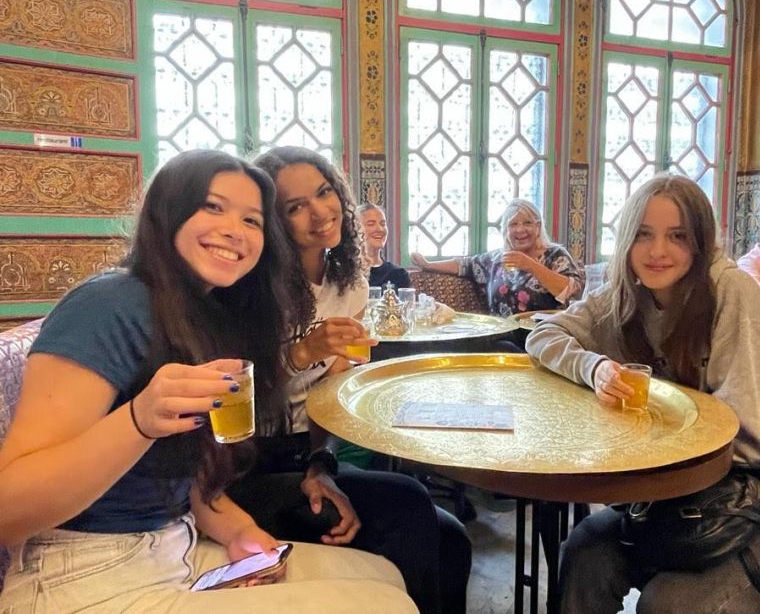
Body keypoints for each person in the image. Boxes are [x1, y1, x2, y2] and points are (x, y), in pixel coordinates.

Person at [0, 150, 413, 611]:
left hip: (176, 547)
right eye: (213, 207)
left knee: (385, 578)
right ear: (168, 212)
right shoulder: (109, 304)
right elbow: (8, 512)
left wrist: (240, 534)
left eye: (252, 220)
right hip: (79, 575)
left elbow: (183, 477)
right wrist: (138, 421)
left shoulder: (211, 315)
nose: (235, 230)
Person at [526, 174, 760, 614]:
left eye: (677, 236)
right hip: (686, 495)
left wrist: (647, 462)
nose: (657, 252)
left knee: (668, 605)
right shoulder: (622, 293)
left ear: (701, 240)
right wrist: (592, 367)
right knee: (585, 550)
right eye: (643, 235)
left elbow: (759, 445)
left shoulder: (731, 292)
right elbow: (544, 335)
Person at [227, 146, 471, 614]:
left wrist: (321, 465)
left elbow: (329, 393)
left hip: (307, 458)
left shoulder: (350, 284)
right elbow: (232, 402)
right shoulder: (250, 289)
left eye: (324, 192)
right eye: (295, 207)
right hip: (249, 467)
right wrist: (302, 352)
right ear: (273, 222)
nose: (319, 212)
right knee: (409, 502)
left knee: (453, 539)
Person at [411, 198, 585, 317]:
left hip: (546, 337)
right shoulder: (495, 260)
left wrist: (531, 265)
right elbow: (462, 265)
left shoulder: (556, 255)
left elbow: (570, 291)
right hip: (504, 337)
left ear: (538, 227)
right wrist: (428, 264)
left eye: (527, 223)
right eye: (513, 224)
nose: (520, 230)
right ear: (505, 231)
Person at [358, 202, 412, 290]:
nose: (380, 229)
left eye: (383, 224)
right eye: (371, 224)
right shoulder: (345, 273)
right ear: (355, 229)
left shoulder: (398, 274)